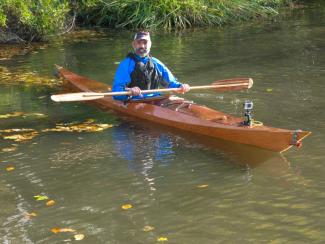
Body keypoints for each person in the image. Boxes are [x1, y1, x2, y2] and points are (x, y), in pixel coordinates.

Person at [112, 31, 190, 101]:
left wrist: (181, 86)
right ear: (134, 44)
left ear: (150, 44)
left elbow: (171, 83)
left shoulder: (156, 63)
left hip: (156, 99)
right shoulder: (126, 64)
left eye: (145, 43)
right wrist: (129, 91)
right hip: (135, 101)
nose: (142, 46)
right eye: (139, 43)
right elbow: (116, 92)